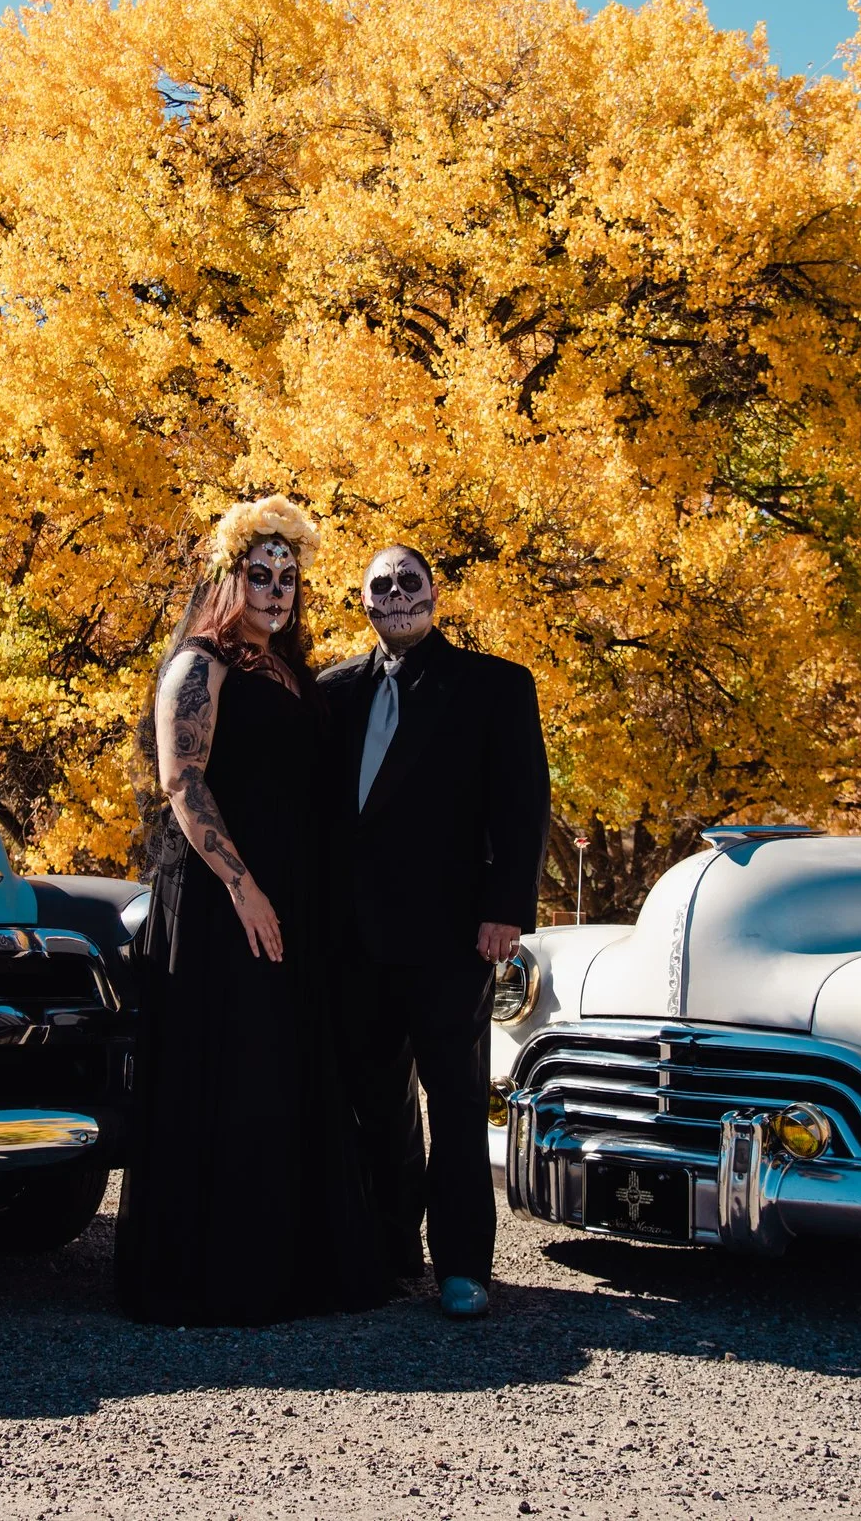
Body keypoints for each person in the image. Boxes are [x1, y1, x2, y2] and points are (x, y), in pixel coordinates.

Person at [114, 497, 392, 1326]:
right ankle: (219, 1276)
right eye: (260, 575)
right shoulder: (201, 666)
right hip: (218, 902)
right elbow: (183, 783)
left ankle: (287, 1268)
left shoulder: (289, 671)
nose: (275, 591)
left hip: (290, 903)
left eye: (288, 578)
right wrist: (244, 887)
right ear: (228, 579)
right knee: (231, 1071)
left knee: (283, 1072)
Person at [321, 545, 550, 1320]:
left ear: (435, 593)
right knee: (374, 1099)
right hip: (354, 936)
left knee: (454, 1100)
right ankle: (392, 1249)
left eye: (407, 581)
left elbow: (521, 807)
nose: (395, 594)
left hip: (455, 934)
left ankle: (463, 1265)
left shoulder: (494, 686)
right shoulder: (333, 692)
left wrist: (506, 907)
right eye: (379, 584)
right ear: (364, 602)